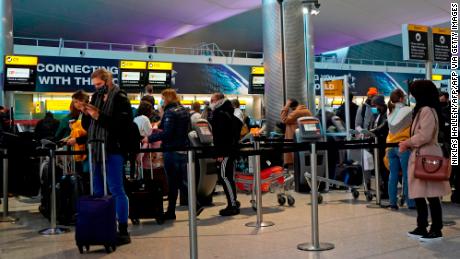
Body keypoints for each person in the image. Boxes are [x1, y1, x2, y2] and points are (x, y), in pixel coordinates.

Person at [81, 68, 132, 245]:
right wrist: (86, 113)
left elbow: (121, 126)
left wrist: (99, 116)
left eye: (100, 84)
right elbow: (88, 126)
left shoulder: (120, 98)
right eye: (94, 85)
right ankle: (101, 225)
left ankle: (123, 229)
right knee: (97, 191)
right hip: (96, 149)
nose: (97, 88)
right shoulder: (94, 98)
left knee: (116, 189)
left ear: (108, 81)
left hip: (113, 149)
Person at [400, 80, 450, 241]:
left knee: (432, 194)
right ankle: (421, 226)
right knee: (419, 193)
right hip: (421, 154)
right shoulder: (423, 110)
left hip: (427, 156)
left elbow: (425, 135)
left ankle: (436, 228)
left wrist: (407, 143)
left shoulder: (427, 110)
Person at [143, 89, 203, 220]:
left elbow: (167, 133)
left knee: (175, 181)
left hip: (171, 149)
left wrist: (150, 138)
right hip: (182, 149)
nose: (161, 101)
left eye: (162, 98)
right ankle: (171, 211)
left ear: (167, 98)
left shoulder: (169, 112)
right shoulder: (183, 110)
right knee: (178, 181)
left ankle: (195, 204)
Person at [209, 92, 242, 216]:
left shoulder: (219, 114)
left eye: (212, 100)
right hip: (231, 150)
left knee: (224, 177)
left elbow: (221, 136)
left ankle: (232, 205)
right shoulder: (229, 111)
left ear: (218, 100)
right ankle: (233, 201)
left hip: (225, 151)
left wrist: (220, 152)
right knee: (228, 177)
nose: (211, 102)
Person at [386, 89, 415, 210]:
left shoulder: (390, 112)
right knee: (407, 175)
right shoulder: (408, 110)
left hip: (390, 147)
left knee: (392, 175)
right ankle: (411, 203)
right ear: (402, 99)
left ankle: (392, 202)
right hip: (403, 146)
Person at [280, 99, 312, 167]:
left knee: (294, 162)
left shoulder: (297, 112)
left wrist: (286, 106)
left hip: (294, 139)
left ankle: (295, 176)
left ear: (291, 106)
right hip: (304, 139)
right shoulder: (307, 111)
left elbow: (283, 119)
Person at [369, 95, 389, 200]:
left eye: (376, 104)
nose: (375, 107)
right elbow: (373, 125)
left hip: (383, 144)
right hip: (376, 145)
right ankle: (381, 189)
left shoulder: (387, 114)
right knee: (380, 169)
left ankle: (386, 191)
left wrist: (372, 131)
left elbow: (384, 126)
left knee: (384, 169)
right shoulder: (377, 114)